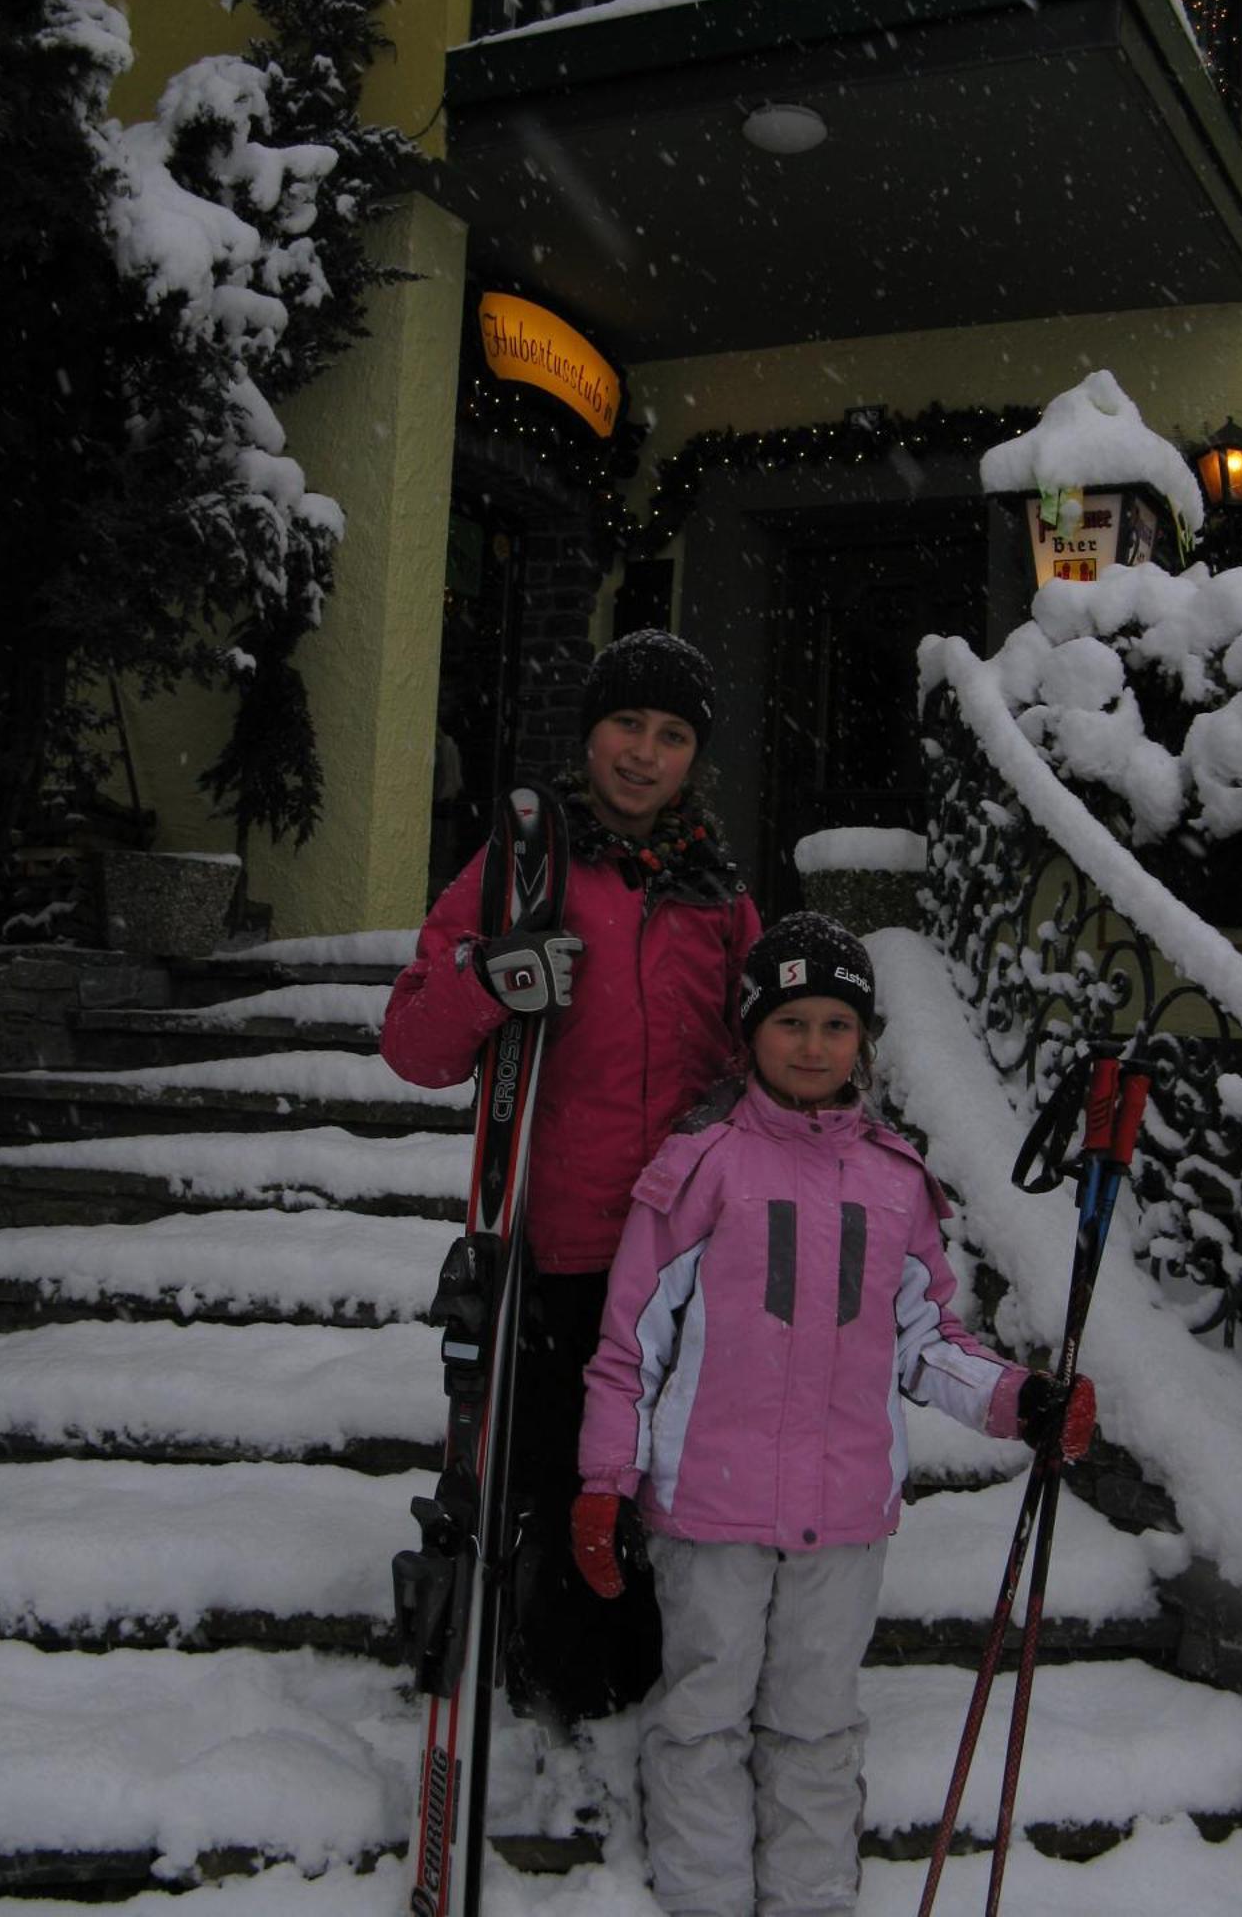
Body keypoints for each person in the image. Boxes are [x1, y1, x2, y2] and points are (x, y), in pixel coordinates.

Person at [572, 911, 1096, 1917]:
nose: (814, 1045)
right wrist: (607, 1480)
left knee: (816, 1716)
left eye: (836, 1025)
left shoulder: (894, 1182)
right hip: (709, 1509)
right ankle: (705, 1891)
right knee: (706, 1710)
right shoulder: (703, 1166)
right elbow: (630, 1344)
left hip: (844, 1511)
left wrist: (1020, 1399)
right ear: (751, 1031)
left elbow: (929, 1341)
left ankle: (811, 1894)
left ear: (864, 1039)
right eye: (792, 1022)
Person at [381, 628, 763, 1723]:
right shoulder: (523, 865)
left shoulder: (718, 897)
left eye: (673, 734)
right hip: (565, 1252)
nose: (644, 753)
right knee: (566, 1485)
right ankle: (562, 1699)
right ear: (588, 732)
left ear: (696, 756)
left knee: (667, 1486)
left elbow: (768, 1055)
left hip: (686, 1261)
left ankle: (660, 1681)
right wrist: (492, 978)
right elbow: (413, 1041)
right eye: (626, 725)